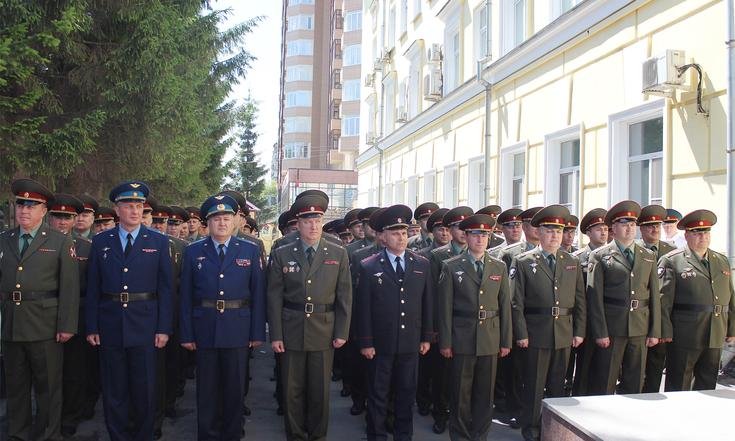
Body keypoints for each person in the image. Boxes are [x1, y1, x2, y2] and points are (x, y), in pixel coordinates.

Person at [85, 180, 172, 441]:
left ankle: (143, 435)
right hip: (110, 323)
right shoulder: (101, 241)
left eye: (139, 205)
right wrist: (92, 326)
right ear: (117, 209)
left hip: (145, 325)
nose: (134, 211)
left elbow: (165, 289)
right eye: (128, 205)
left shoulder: (158, 241)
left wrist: (163, 328)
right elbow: (93, 287)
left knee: (144, 388)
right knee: (114, 389)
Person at [179, 194, 266, 439]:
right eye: (216, 219)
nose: (222, 223)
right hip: (204, 327)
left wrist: (257, 332)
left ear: (235, 221)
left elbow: (258, 294)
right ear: (208, 222)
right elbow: (185, 296)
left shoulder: (249, 250)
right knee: (206, 388)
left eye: (226, 218)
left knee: (234, 388)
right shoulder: (193, 251)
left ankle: (232, 432)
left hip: (238, 328)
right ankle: (207, 433)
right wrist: (186, 333)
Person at [267, 192, 352, 441]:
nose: (313, 226)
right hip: (291, 328)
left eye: (317, 220)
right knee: (291, 390)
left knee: (319, 390)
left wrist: (342, 332)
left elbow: (344, 296)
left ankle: (317, 435)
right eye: (307, 221)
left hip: (324, 329)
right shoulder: (283, 252)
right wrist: (276, 335)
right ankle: (294, 435)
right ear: (298, 223)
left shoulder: (337, 252)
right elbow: (274, 297)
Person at [1, 179, 80, 441]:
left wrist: (66, 325)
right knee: (16, 386)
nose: (24, 210)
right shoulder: (5, 239)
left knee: (48, 388)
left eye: (31, 206)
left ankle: (48, 434)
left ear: (44, 211)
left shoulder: (59, 241)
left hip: (45, 325)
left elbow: (69, 287)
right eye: (21, 205)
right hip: (11, 323)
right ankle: (18, 434)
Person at [356, 205, 433, 441]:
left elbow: (427, 303)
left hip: (410, 342)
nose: (401, 237)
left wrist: (426, 337)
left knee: (406, 395)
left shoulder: (421, 264)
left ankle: (403, 436)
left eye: (404, 232)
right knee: (378, 395)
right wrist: (366, 342)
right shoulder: (369, 266)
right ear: (382, 236)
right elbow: (363, 309)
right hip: (381, 344)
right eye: (395, 233)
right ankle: (376, 435)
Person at [510, 205, 585, 441]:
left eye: (559, 231)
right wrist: (521, 333)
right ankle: (531, 429)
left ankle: (553, 430)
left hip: (563, 331)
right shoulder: (523, 261)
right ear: (539, 232)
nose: (555, 236)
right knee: (534, 385)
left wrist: (579, 330)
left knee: (557, 385)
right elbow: (516, 302)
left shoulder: (571, 261)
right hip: (536, 332)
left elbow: (580, 299)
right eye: (550, 231)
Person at [438, 213, 511, 441]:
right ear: (467, 237)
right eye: (475, 235)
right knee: (460, 393)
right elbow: (444, 309)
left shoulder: (499, 266)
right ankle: (460, 436)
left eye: (484, 235)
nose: (480, 240)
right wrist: (446, 342)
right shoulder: (451, 266)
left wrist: (505, 340)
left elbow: (505, 306)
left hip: (490, 338)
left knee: (485, 394)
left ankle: (480, 435)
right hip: (462, 338)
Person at [586, 200, 660, 395]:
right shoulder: (600, 255)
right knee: (606, 380)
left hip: (639, 326)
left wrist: (654, 330)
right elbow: (594, 298)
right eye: (624, 224)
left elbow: (654, 296)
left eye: (632, 224)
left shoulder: (648, 255)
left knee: (635, 380)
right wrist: (600, 331)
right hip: (612, 327)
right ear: (614, 227)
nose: (629, 228)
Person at [660, 209, 735, 391]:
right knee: (679, 385)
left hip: (715, 331)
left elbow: (730, 297)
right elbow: (663, 302)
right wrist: (664, 331)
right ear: (686, 235)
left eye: (706, 232)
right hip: (685, 334)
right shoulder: (672, 261)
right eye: (697, 233)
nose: (703, 237)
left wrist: (732, 328)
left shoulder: (721, 260)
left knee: (707, 384)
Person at [47, 194, 99, 437]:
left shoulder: (86, 247)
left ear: (74, 219)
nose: (62, 221)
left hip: (78, 315)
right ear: (49, 217)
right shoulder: (40, 245)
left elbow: (94, 287)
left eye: (67, 217)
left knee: (74, 370)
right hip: (44, 314)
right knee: (47, 372)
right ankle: (49, 415)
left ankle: (70, 415)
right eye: (57, 216)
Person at [427, 206, 474, 434]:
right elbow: (433, 295)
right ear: (450, 230)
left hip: (470, 327)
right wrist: (434, 328)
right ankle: (441, 413)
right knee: (443, 375)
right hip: (446, 324)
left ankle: (463, 416)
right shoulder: (438, 255)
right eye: (457, 227)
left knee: (466, 377)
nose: (463, 232)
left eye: (466, 228)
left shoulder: (478, 253)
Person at [636, 205, 676, 394]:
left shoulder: (671, 251)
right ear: (641, 228)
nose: (655, 229)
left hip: (663, 318)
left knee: (656, 365)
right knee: (635, 367)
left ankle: (651, 396)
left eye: (658, 225)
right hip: (640, 317)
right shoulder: (635, 250)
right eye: (650, 226)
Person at [415, 207, 449, 416]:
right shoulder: (423, 256)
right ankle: (423, 401)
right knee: (427, 367)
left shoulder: (461, 254)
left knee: (444, 371)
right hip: (429, 321)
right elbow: (425, 296)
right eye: (440, 229)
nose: (444, 233)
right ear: (432, 231)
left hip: (451, 323)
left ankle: (441, 406)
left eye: (448, 229)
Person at [570, 208, 608, 396]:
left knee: (604, 370)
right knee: (583, 368)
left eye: (606, 229)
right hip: (585, 322)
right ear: (588, 232)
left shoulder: (610, 256)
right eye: (599, 229)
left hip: (606, 320)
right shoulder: (577, 258)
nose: (603, 233)